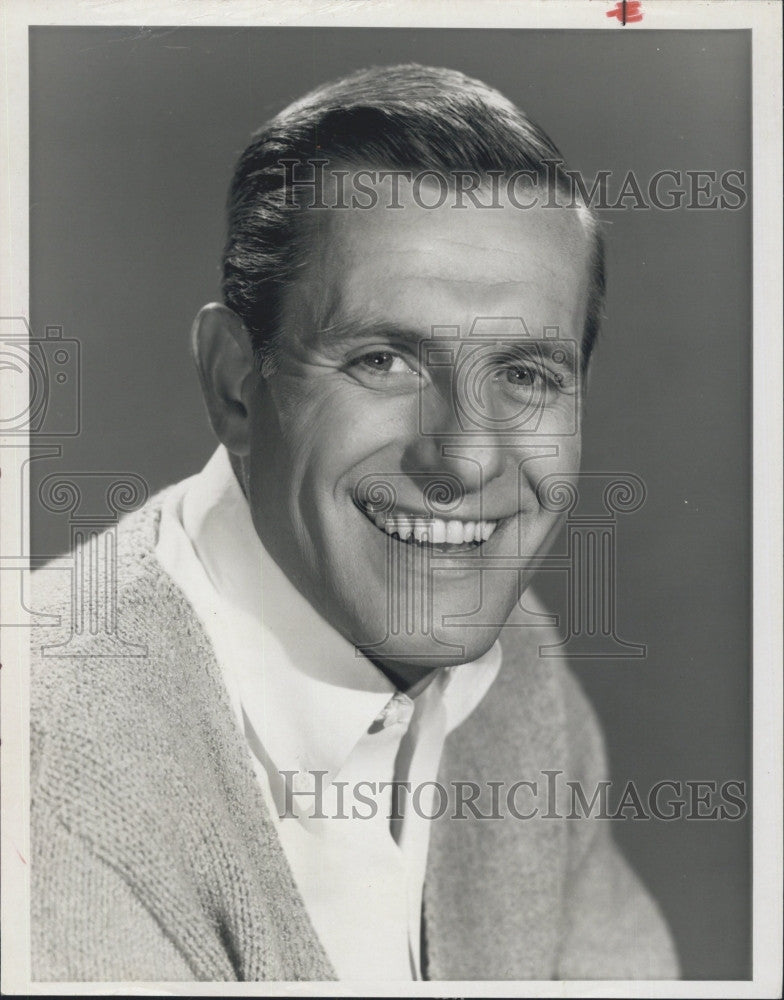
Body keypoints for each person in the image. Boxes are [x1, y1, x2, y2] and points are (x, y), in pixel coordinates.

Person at [30, 64, 680, 981]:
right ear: (234, 384)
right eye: (384, 359)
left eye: (527, 375)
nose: (465, 461)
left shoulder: (519, 673)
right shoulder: (47, 767)